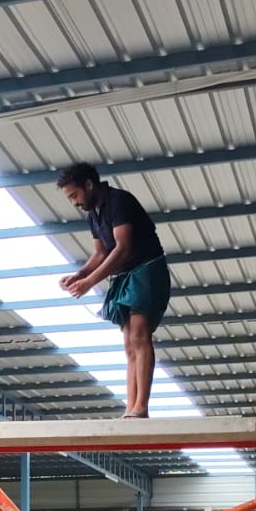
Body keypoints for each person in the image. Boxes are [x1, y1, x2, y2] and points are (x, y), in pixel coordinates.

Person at [56, 161, 172, 419]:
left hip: (145, 269)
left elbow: (123, 247)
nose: (74, 202)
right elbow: (100, 253)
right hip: (124, 276)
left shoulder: (119, 201)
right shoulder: (93, 214)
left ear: (89, 184)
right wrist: (79, 275)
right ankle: (131, 407)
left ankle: (141, 407)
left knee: (140, 335)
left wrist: (89, 282)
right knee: (129, 344)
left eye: (75, 195)